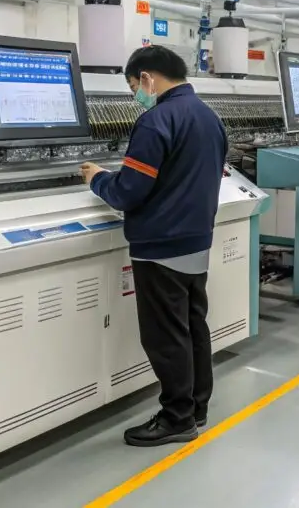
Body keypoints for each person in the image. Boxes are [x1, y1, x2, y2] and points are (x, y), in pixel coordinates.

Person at [80, 45, 228, 447]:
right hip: (196, 241)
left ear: (147, 78)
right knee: (193, 326)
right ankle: (197, 407)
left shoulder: (156, 120)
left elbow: (129, 191)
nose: (136, 96)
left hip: (160, 245)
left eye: (133, 87)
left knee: (165, 336)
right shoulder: (209, 117)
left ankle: (177, 417)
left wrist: (97, 178)